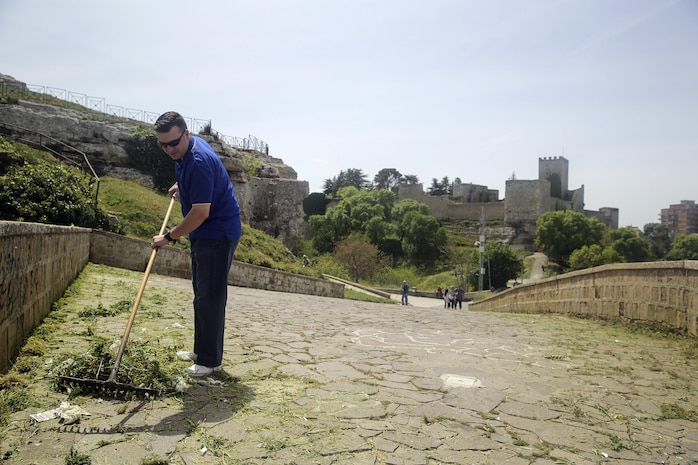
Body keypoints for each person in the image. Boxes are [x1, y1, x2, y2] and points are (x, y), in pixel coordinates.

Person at [151, 111, 242, 377]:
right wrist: (182, 184)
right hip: (204, 232)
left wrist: (168, 237)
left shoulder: (199, 161)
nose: (169, 149)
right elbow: (195, 175)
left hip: (217, 232)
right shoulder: (190, 147)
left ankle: (210, 361)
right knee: (200, 295)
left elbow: (200, 214)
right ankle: (200, 350)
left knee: (210, 298)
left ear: (186, 134)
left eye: (173, 143)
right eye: (163, 144)